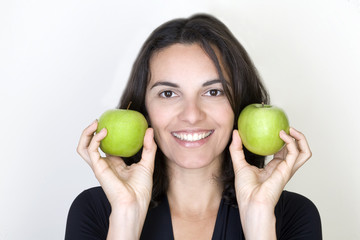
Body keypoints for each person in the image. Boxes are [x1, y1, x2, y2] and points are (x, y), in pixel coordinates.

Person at [65, 14, 322, 240]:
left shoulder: (294, 215)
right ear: (143, 112)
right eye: (168, 94)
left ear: (240, 108)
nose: (191, 115)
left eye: (213, 91)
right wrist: (125, 214)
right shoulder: (96, 210)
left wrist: (259, 217)